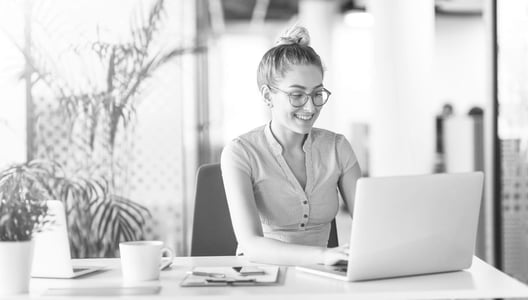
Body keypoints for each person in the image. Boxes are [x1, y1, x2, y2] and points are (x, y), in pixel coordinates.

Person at [220, 25, 361, 266]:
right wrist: (323, 256)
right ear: (267, 96)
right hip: (260, 277)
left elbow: (370, 224)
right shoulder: (240, 152)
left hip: (320, 279)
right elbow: (251, 244)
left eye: (317, 94)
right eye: (297, 95)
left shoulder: (337, 147)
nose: (310, 107)